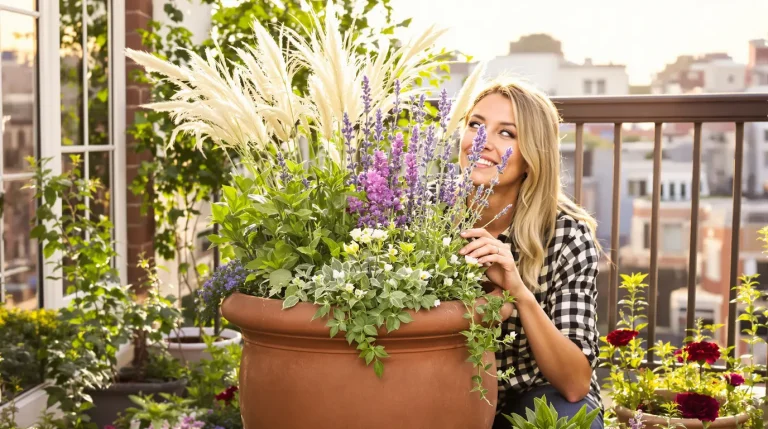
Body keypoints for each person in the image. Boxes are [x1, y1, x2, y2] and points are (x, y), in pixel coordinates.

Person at [455, 78, 603, 429]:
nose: (482, 141)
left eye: (506, 133)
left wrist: (519, 293)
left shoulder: (566, 235)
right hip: (445, 391)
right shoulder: (424, 215)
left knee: (566, 420)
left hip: (532, 398)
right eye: (475, 125)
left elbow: (574, 383)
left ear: (532, 157)